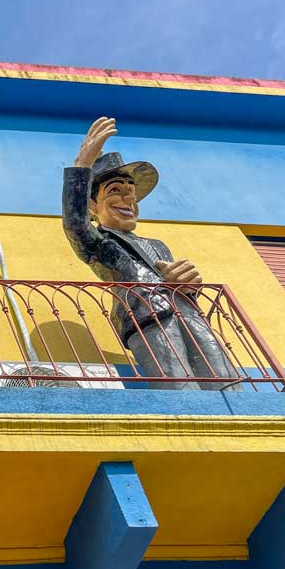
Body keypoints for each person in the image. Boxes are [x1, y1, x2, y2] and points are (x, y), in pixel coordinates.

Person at [62, 116, 237, 389]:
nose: (128, 199)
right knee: (179, 382)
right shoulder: (99, 242)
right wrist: (82, 166)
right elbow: (74, 224)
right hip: (145, 316)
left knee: (223, 377)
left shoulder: (158, 244)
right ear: (93, 206)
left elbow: (177, 281)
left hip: (187, 313)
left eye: (131, 193)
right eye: (116, 191)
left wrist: (187, 285)